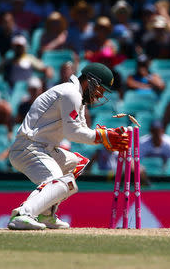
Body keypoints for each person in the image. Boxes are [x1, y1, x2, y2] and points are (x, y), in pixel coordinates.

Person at [7, 63, 129, 230]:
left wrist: (105, 134)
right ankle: (22, 214)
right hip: (29, 148)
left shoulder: (77, 97)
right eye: (100, 89)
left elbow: (82, 131)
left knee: (77, 162)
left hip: (43, 148)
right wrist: (102, 136)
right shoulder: (70, 93)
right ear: (89, 82)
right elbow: (73, 133)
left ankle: (46, 214)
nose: (100, 95)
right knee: (60, 181)